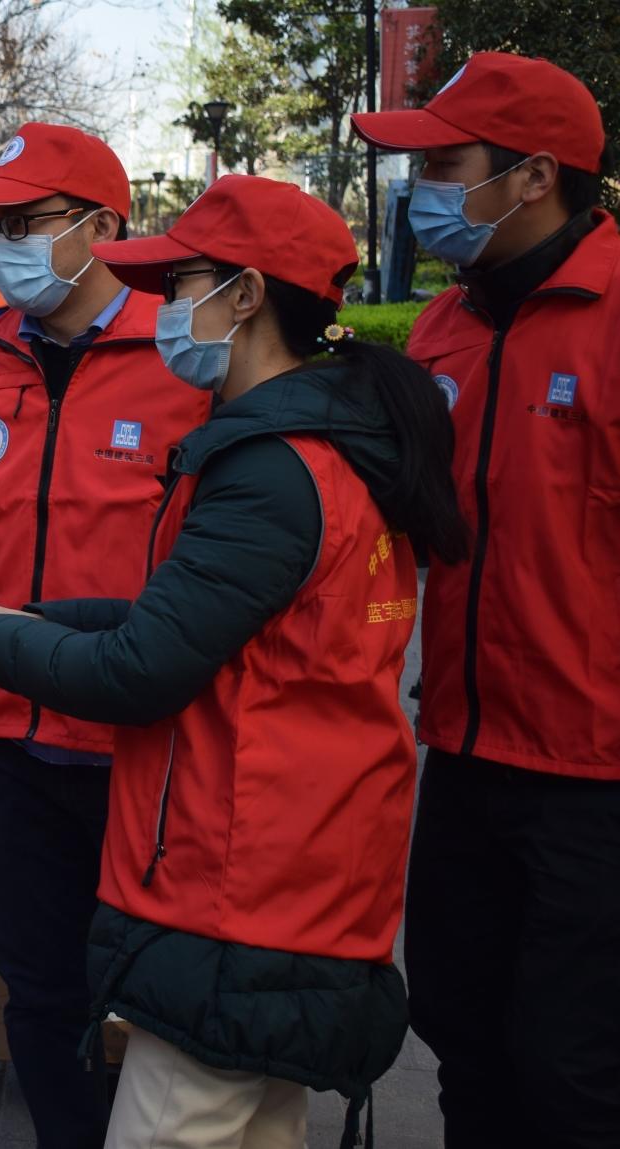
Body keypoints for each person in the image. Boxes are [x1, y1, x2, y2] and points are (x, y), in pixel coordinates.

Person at [0, 175, 470, 1149]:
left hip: (244, 877)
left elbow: (141, 668)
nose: (169, 308)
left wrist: (4, 645)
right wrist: (41, 615)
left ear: (247, 295)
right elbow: (196, 616)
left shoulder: (271, 465)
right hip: (305, 866)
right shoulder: (326, 443)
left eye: (183, 284)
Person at [0, 121, 211, 1149]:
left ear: (101, 224)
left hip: (143, 729)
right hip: (9, 722)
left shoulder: (184, 354)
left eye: (26, 220)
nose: (3, 242)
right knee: (36, 987)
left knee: (159, 979)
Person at [350, 52, 620, 1148]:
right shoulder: (440, 332)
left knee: (573, 1068)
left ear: (535, 176)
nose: (421, 190)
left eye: (443, 164)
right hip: (461, 750)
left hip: (595, 778)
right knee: (461, 1026)